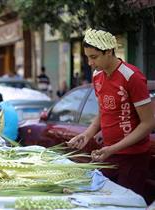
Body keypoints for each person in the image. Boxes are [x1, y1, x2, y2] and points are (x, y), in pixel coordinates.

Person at [67, 28, 155, 196]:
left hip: (133, 158)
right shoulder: (97, 76)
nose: (90, 63)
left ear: (108, 52)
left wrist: (113, 148)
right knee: (102, 200)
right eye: (87, 57)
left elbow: (148, 123)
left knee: (125, 204)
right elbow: (104, 111)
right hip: (108, 154)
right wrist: (87, 134)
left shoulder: (132, 76)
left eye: (94, 57)